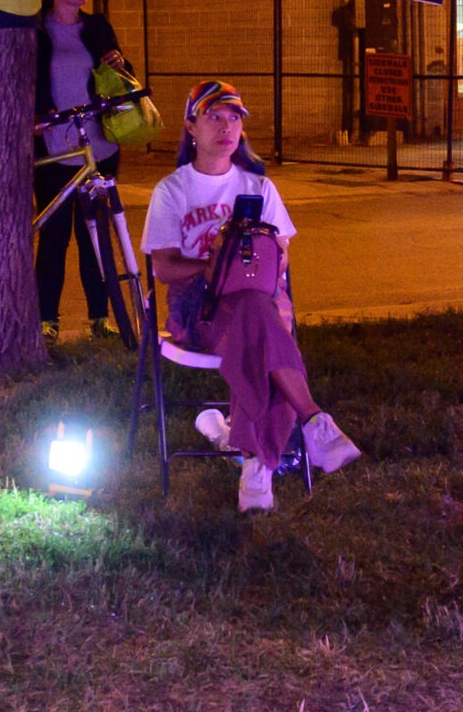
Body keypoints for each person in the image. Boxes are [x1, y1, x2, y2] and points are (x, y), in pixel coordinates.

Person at [141, 80, 358, 513]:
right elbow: (163, 268)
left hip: (255, 305)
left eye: (234, 118)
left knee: (255, 319)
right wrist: (216, 267)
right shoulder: (172, 191)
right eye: (214, 117)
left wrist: (251, 264)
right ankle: (311, 420)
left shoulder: (259, 189)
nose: (226, 127)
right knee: (262, 327)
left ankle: (254, 463)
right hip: (198, 307)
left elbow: (280, 260)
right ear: (191, 127)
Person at [34, 0, 130, 341]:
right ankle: (46, 321)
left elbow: (122, 76)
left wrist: (122, 63)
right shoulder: (37, 30)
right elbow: (28, 81)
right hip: (57, 147)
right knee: (54, 237)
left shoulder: (97, 26)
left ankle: (99, 318)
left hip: (99, 146)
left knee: (95, 238)